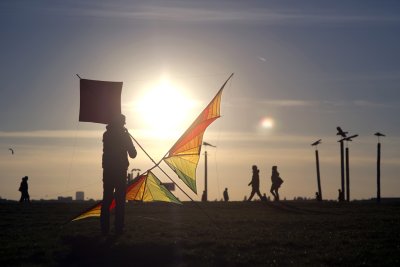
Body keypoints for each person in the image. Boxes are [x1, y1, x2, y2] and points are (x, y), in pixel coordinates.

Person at [101, 114, 137, 235]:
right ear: (121, 123)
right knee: (120, 200)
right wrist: (127, 137)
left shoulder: (106, 135)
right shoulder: (124, 135)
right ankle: (119, 228)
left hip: (108, 171)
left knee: (107, 199)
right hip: (120, 171)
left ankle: (104, 229)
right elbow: (133, 154)